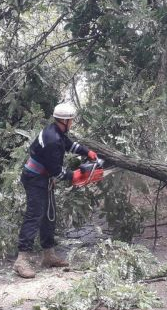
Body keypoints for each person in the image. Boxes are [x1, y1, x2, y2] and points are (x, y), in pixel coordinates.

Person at [12, 102, 104, 279]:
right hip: (35, 178)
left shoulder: (57, 132)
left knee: (48, 215)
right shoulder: (52, 139)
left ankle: (48, 255)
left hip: (44, 178)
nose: (72, 123)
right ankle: (22, 260)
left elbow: (70, 145)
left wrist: (87, 152)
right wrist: (74, 176)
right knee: (34, 215)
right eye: (71, 120)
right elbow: (56, 170)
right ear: (65, 120)